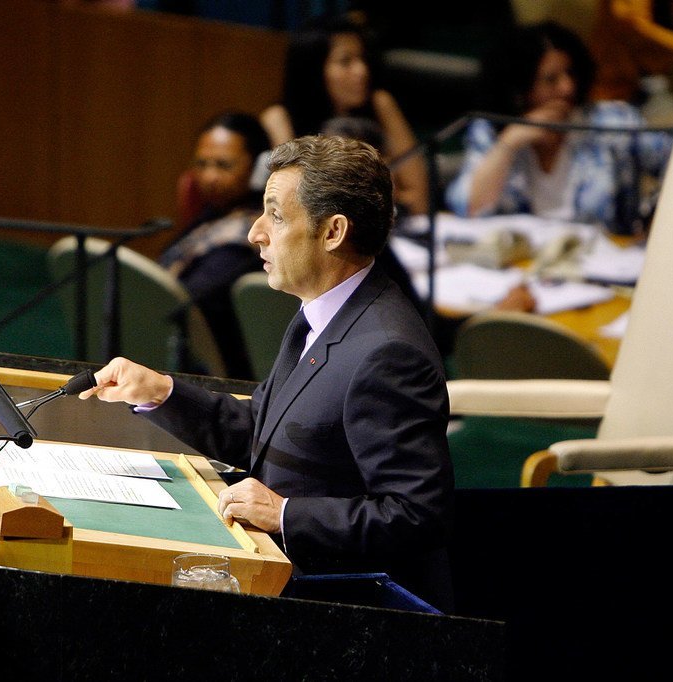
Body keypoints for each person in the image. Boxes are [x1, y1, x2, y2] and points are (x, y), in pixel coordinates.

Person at [81, 135, 455, 609]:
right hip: (278, 576)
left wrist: (285, 514)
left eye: (275, 215)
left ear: (333, 231)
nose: (255, 232)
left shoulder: (389, 352)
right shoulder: (319, 314)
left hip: (342, 607)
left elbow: (418, 516)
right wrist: (162, 392)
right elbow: (264, 430)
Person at [445, 21, 673, 235]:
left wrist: (653, 221)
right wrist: (511, 141)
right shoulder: (492, 130)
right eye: (551, 79)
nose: (567, 87)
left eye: (571, 74)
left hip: (602, 261)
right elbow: (467, 207)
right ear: (519, 90)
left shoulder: (611, 122)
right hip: (521, 266)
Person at [260, 14, 429, 215]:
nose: (362, 70)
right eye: (345, 61)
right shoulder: (279, 117)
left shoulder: (380, 103)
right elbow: (295, 202)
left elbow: (419, 199)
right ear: (313, 68)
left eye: (362, 59)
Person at [158, 112, 271, 380]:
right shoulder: (214, 213)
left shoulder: (250, 237)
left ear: (259, 169)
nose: (209, 177)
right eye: (202, 164)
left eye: (223, 165)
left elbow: (188, 297)